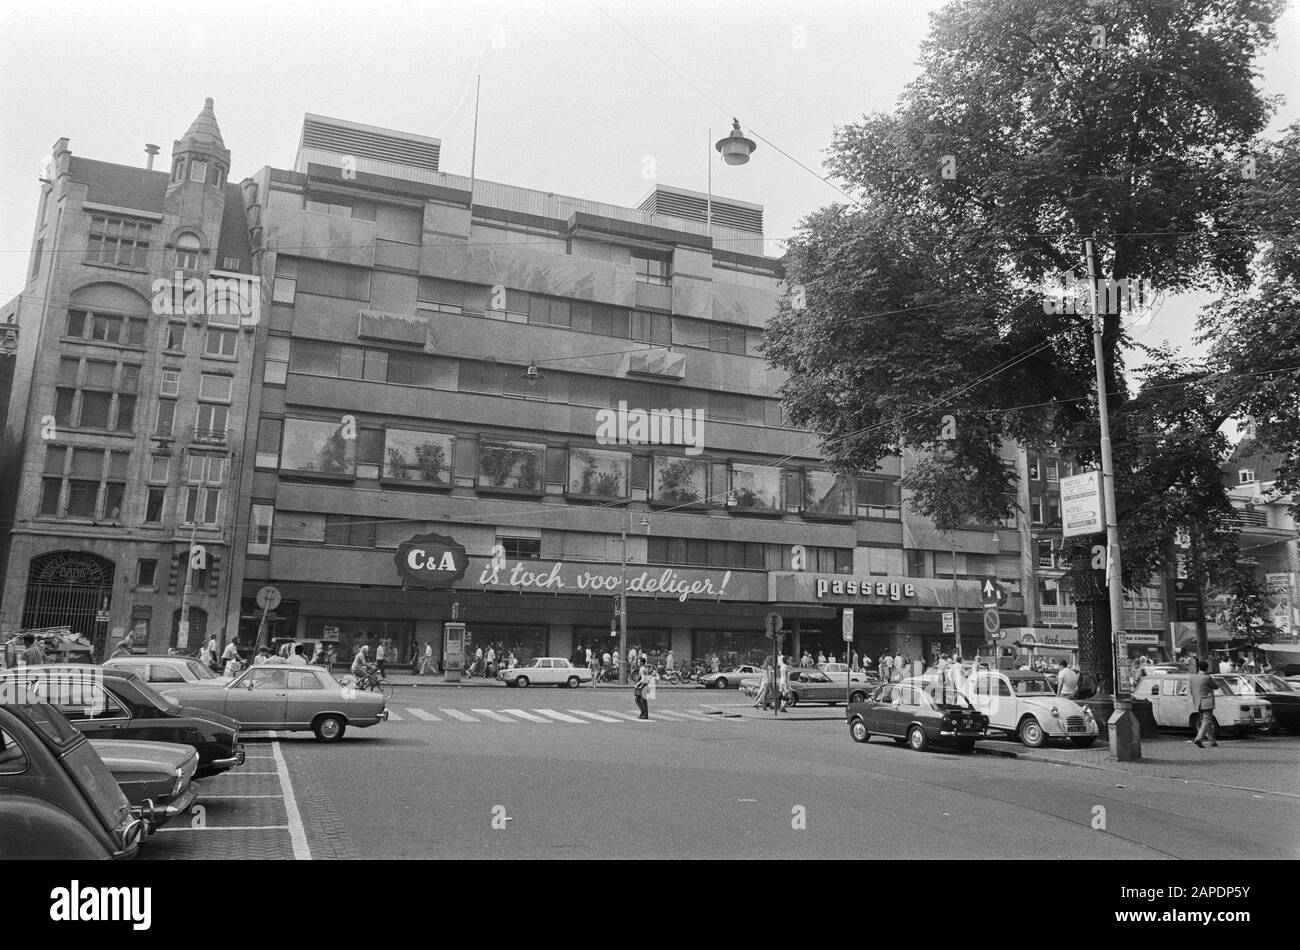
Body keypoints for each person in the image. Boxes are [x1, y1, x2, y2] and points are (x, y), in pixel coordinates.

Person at [1189, 660, 1218, 748]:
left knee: (1205, 721)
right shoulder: (1207, 677)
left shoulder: (1193, 678)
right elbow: (1215, 686)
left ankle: (1212, 740)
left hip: (1197, 701)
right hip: (1207, 702)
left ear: (1198, 668)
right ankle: (1199, 738)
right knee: (1207, 721)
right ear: (1207, 668)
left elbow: (1191, 690)